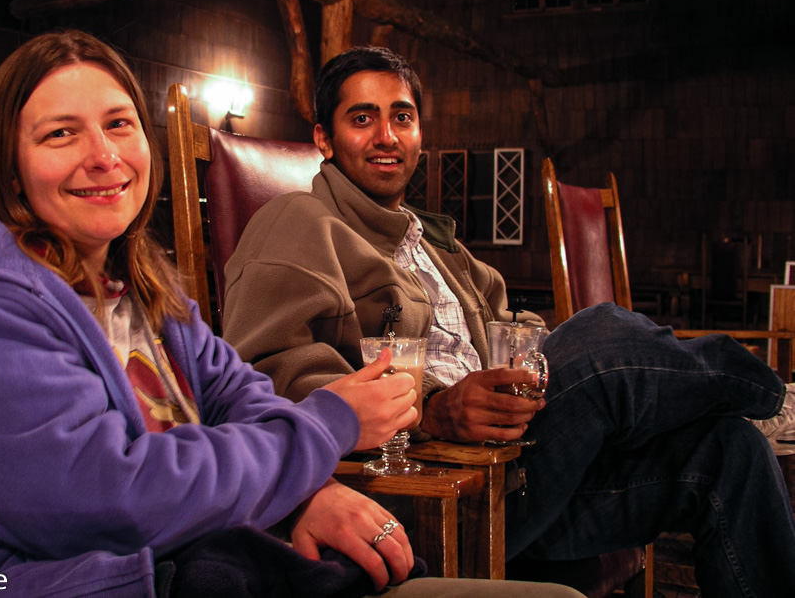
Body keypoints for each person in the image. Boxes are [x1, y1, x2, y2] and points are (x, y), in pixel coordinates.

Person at [0, 31, 585, 598]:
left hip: (182, 555)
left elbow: (236, 390)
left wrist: (305, 485)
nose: (105, 157)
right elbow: (113, 495)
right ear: (7, 165)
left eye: (119, 124)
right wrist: (326, 429)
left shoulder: (131, 281)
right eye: (60, 134)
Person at [221, 45, 795, 597]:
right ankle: (768, 395)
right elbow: (264, 381)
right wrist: (433, 408)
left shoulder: (431, 241)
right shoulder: (297, 222)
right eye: (362, 118)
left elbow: (511, 329)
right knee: (598, 335)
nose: (387, 136)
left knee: (730, 450)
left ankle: (743, 409)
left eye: (402, 116)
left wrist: (530, 367)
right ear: (324, 137)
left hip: (516, 475)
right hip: (427, 493)